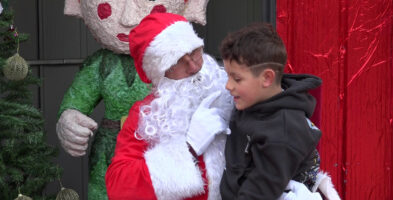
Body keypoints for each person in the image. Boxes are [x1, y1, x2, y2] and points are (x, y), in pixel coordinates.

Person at [57, 1, 210, 199]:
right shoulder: (102, 64)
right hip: (110, 155)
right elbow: (77, 99)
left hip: (171, 149)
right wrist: (69, 118)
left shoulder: (193, 64)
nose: (128, 19)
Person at [105, 12, 234, 200]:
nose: (193, 66)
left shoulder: (233, 88)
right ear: (160, 74)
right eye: (176, 62)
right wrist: (188, 146)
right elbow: (119, 187)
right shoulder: (147, 114)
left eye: (194, 52)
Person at [219, 23, 340, 200]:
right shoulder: (255, 98)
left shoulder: (283, 133)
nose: (228, 86)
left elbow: (258, 193)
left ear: (267, 78)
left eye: (236, 78)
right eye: (227, 75)